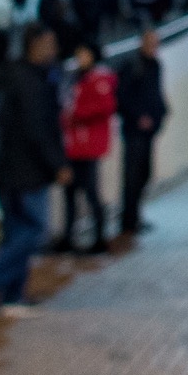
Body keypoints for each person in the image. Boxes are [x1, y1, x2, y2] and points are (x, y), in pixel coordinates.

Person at [0, 26, 67, 317]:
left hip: (10, 169)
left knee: (17, 232)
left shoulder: (17, 77)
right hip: (26, 171)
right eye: (49, 43)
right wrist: (58, 164)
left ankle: (12, 297)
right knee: (34, 231)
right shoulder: (31, 82)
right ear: (35, 45)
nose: (54, 50)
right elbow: (38, 128)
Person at [57, 41, 116, 255]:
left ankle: (99, 237)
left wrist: (77, 114)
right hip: (74, 145)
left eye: (84, 54)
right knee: (70, 192)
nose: (80, 59)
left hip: (89, 146)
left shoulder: (99, 78)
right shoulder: (76, 78)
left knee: (91, 192)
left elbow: (105, 106)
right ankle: (68, 237)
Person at [114, 28, 168, 234]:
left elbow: (156, 94)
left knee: (144, 174)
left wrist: (160, 113)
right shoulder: (132, 65)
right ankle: (128, 221)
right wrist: (138, 117)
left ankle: (135, 216)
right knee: (132, 177)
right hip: (134, 130)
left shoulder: (156, 65)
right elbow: (122, 96)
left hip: (148, 131)